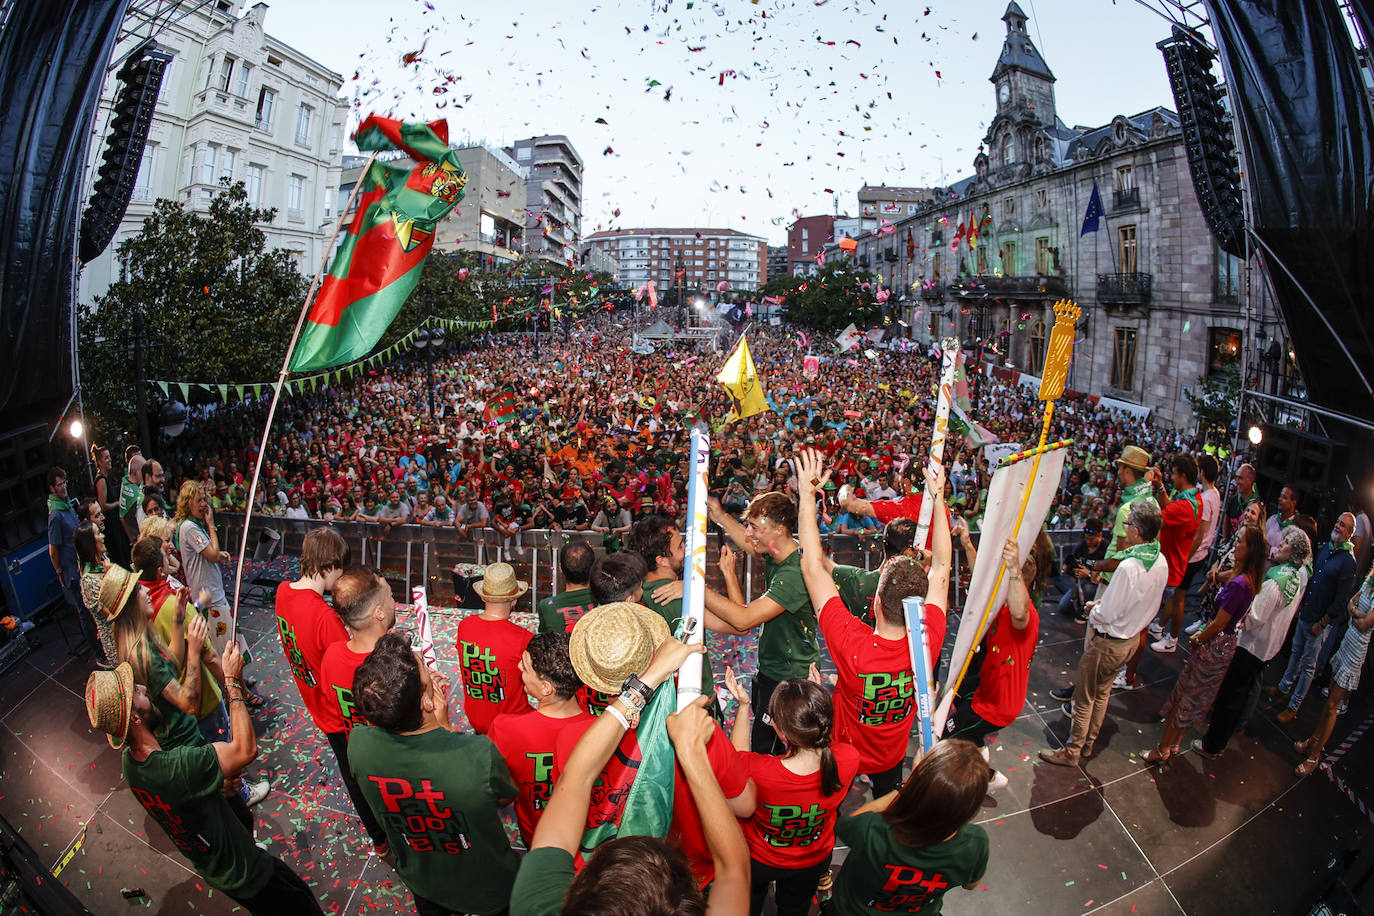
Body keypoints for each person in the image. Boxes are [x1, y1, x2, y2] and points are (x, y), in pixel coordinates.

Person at [509, 643, 750, 916]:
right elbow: (735, 867)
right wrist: (692, 753)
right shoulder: (537, 903)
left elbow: (576, 778)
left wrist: (646, 683)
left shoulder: (537, 905)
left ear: (577, 888)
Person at [85, 658, 324, 916]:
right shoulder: (177, 767)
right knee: (303, 907)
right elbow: (244, 750)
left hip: (217, 866)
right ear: (134, 717)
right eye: (137, 692)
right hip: (246, 871)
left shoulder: (130, 766)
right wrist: (232, 683)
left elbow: (185, 803)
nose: (144, 688)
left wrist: (222, 790)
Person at [557, 601, 755, 888]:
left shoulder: (572, 741)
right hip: (687, 880)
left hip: (610, 884)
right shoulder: (697, 736)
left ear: (596, 680)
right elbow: (745, 805)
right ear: (659, 654)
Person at [793, 449, 948, 797]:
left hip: (846, 754)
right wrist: (937, 501)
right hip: (893, 756)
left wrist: (806, 495)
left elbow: (812, 567)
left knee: (833, 811)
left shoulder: (851, 641)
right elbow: (941, 568)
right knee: (889, 810)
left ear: (876, 602)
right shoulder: (930, 639)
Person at [348, 632, 519, 916]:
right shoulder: (477, 753)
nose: (430, 669)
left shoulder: (358, 745)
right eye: (426, 670)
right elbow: (502, 799)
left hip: (422, 878)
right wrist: (446, 729)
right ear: (428, 703)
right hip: (486, 885)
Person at [1040, 499, 1168, 767]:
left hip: (1109, 641)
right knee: (1103, 693)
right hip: (1131, 639)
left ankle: (1072, 751)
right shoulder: (1160, 561)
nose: (1125, 528)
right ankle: (1088, 743)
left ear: (1137, 530)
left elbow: (1106, 614)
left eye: (1128, 523)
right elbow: (1149, 605)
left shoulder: (1129, 566)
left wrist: (1093, 608)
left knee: (1085, 697)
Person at [722, 674, 859, 916]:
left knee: (749, 905)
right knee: (795, 909)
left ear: (782, 733)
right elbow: (829, 743)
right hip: (812, 859)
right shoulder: (849, 759)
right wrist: (813, 705)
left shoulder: (761, 771)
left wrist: (744, 706)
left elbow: (736, 761)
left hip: (760, 859)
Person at [704, 491, 818, 754]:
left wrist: (695, 587)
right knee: (764, 745)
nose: (748, 533)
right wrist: (720, 516)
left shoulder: (793, 574)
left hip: (791, 681)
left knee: (779, 754)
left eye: (755, 527)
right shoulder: (778, 549)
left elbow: (744, 619)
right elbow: (748, 545)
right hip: (773, 670)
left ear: (778, 529)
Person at [1141, 525, 1265, 764]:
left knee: (1187, 697)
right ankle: (1175, 743)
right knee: (1197, 698)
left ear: (1250, 550)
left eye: (1240, 541)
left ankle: (1162, 748)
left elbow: (1218, 624)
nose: (1235, 545)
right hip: (1223, 646)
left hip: (1214, 646)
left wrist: (1198, 639)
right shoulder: (1247, 579)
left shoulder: (1240, 584)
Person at [827, 739, 990, 915]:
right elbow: (971, 885)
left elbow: (846, 825)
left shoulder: (874, 828)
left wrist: (905, 790)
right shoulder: (975, 843)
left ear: (917, 786)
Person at [1197, 526, 1311, 758]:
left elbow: (1253, 618)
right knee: (1240, 694)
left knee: (1231, 697)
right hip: (1266, 649)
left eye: (1286, 542)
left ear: (1295, 552)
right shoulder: (1294, 577)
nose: (1280, 544)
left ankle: (1212, 745)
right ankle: (1222, 739)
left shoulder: (1275, 582)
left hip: (1250, 648)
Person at [316, 565, 396, 857]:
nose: (394, 602)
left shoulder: (332, 656)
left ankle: (382, 843)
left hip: (360, 758)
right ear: (377, 613)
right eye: (389, 596)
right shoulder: (395, 665)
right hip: (396, 766)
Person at [486, 632, 594, 847]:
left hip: (537, 836)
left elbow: (494, 790)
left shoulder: (506, 728)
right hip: (588, 837)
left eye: (525, 668)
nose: (518, 668)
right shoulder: (601, 730)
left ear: (546, 688)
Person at [948, 537, 1038, 793]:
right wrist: (966, 543)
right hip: (985, 689)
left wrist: (1013, 569)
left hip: (997, 706)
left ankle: (985, 778)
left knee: (947, 736)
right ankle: (980, 752)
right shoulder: (1001, 602)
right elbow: (982, 577)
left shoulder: (1024, 613)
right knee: (960, 713)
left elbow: (1020, 615)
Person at [1271, 512, 1358, 724]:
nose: (1338, 526)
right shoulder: (1326, 547)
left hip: (1320, 623)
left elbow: (1341, 600)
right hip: (1306, 613)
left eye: (1343, 525)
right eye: (1338, 522)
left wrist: (1323, 622)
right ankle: (1283, 687)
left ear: (1349, 533)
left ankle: (1294, 706)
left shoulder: (1348, 561)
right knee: (1295, 652)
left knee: (1308, 666)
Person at [1292, 568, 1374, 775]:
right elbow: (1350, 606)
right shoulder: (1369, 582)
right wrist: (1357, 614)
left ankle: (1314, 756)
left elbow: (1364, 625)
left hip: (1356, 652)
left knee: (1332, 706)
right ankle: (1313, 741)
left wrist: (1356, 615)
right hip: (1348, 642)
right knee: (1328, 703)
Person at [275, 527, 351, 729]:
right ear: (329, 566)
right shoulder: (325, 618)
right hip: (339, 717)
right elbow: (349, 669)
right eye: (340, 567)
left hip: (313, 701)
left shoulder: (282, 591)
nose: (342, 574)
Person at [455, 561, 533, 734]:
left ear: (482, 596)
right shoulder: (523, 638)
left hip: (477, 720)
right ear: (514, 600)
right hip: (511, 725)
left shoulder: (464, 627)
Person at [174, 481, 235, 655]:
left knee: (227, 637)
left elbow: (209, 553)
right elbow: (213, 555)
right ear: (187, 503)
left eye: (204, 500)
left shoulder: (193, 526)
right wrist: (211, 524)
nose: (203, 505)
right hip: (209, 596)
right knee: (223, 643)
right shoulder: (190, 527)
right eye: (198, 501)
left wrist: (218, 552)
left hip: (212, 591)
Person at [48, 468, 104, 660]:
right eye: (59, 485)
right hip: (72, 571)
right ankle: (98, 652)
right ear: (52, 488)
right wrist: (59, 572)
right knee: (86, 613)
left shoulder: (67, 504)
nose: (63, 487)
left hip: (82, 563)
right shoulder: (55, 515)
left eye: (64, 483)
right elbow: (53, 549)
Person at [75, 519, 115, 665]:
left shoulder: (104, 563)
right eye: (98, 533)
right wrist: (111, 578)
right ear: (90, 543)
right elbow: (112, 615)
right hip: (117, 643)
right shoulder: (88, 581)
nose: (103, 536)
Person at [536, 542, 596, 633]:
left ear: (560, 568)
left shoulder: (547, 606)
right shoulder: (605, 601)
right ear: (593, 568)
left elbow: (545, 637)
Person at [1058, 518, 1107, 622]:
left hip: (1098, 586)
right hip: (1081, 583)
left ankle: (1087, 611)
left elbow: (1102, 577)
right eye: (1087, 538)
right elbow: (1068, 564)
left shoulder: (1106, 549)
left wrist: (1088, 574)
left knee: (1089, 589)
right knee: (1063, 607)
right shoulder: (1082, 546)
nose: (1088, 541)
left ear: (1100, 535)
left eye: (1092, 539)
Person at [1264, 485, 1299, 556]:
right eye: (1280, 496)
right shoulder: (1273, 519)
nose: (1280, 499)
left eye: (1284, 497)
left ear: (1293, 503)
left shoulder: (1296, 527)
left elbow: (1286, 555)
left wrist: (1268, 549)